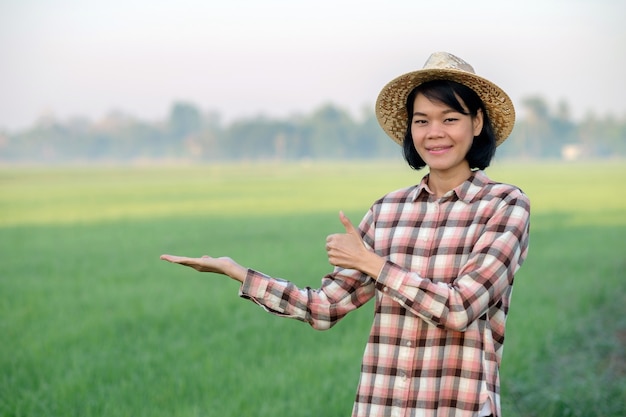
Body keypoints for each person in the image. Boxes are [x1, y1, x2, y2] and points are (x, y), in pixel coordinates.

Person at [160, 51, 530, 417]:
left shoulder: (504, 205)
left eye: (450, 118)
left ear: (477, 122)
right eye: (421, 121)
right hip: (379, 406)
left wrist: (370, 262)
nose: (434, 133)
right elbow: (325, 307)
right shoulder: (387, 211)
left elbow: (459, 308)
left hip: (457, 408)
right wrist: (237, 272)